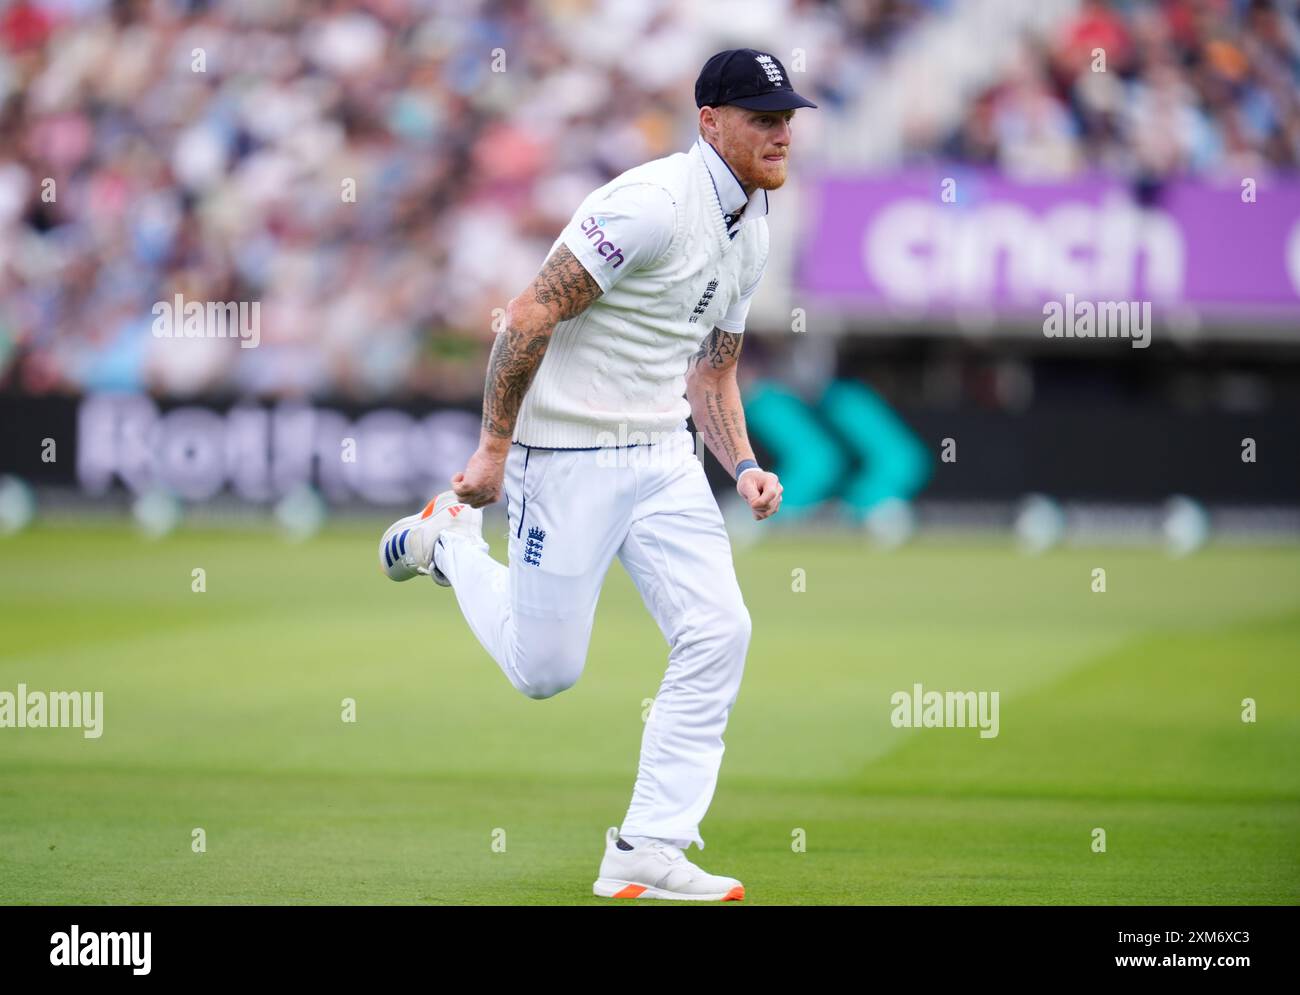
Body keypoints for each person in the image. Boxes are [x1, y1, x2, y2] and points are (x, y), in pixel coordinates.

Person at [378, 48, 815, 901]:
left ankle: (649, 844)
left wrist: (746, 463)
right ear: (711, 123)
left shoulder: (753, 227)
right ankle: (448, 544)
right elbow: (533, 310)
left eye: (787, 118)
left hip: (663, 456)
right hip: (565, 457)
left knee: (720, 631)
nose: (782, 133)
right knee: (546, 672)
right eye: (763, 118)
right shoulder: (649, 205)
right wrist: (495, 449)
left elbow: (713, 371)